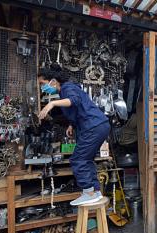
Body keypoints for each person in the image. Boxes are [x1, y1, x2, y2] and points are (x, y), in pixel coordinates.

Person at [38, 65, 110, 206]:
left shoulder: (67, 88)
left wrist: (51, 104)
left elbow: (75, 101)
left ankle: (88, 192)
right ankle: (95, 192)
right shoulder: (65, 91)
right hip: (98, 125)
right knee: (86, 159)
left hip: (94, 126)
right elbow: (77, 109)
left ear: (53, 81)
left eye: (42, 84)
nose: (42, 88)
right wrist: (71, 124)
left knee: (78, 159)